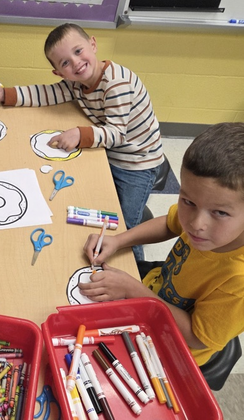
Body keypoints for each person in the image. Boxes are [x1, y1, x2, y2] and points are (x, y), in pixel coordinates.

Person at [0, 23, 164, 259]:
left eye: (78, 51)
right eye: (65, 63)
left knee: (126, 227)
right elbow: (44, 94)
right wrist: (5, 94)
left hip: (137, 163)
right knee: (93, 201)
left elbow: (116, 134)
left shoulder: (116, 84)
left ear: (93, 44)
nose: (76, 63)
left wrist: (80, 134)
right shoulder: (75, 83)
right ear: (59, 73)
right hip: (109, 153)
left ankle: (136, 270)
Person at [80, 122, 244, 367]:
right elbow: (170, 223)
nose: (196, 224)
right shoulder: (203, 216)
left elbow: (196, 337)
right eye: (188, 201)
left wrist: (132, 290)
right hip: (156, 289)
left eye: (219, 212)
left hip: (171, 347)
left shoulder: (238, 280)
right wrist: (118, 241)